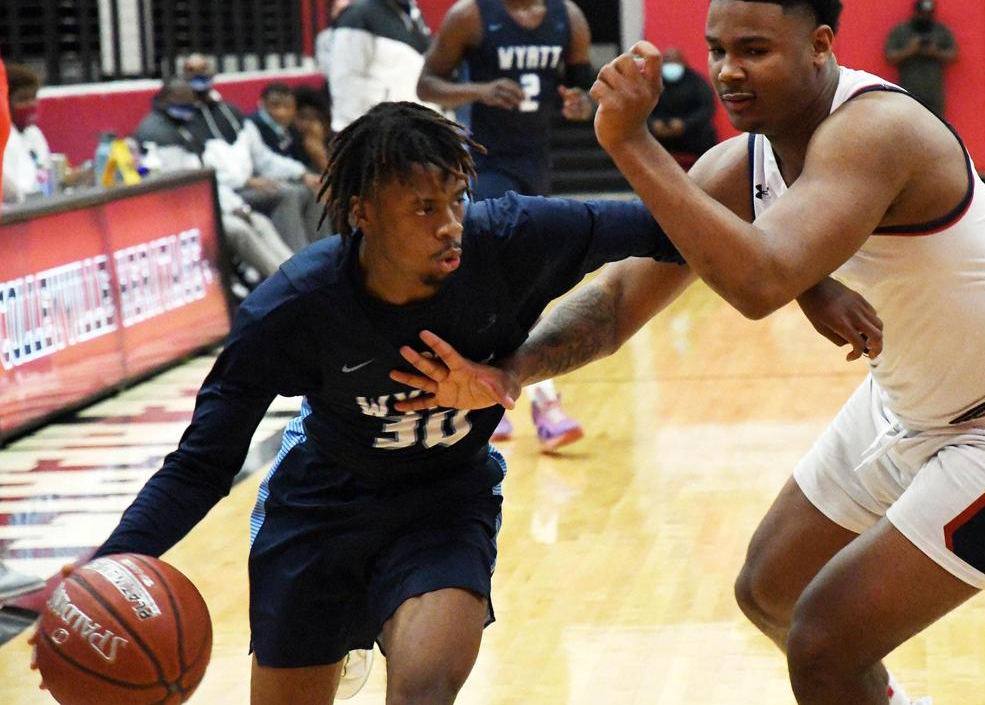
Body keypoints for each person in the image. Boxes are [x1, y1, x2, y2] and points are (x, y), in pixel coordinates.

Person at [392, 0, 985, 705]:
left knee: (824, 646)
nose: (729, 69)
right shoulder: (745, 164)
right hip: (908, 409)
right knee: (769, 590)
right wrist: (511, 370)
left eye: (754, 49)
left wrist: (632, 144)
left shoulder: (878, 131)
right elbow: (615, 303)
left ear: (820, 46)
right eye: (717, 49)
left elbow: (762, 279)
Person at [75, 101, 715, 704]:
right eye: (423, 207)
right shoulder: (293, 308)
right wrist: (102, 573)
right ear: (363, 212)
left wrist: (785, 231)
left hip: (444, 503)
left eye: (457, 199)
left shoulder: (511, 239)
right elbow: (201, 466)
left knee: (424, 692)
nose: (450, 225)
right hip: (319, 509)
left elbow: (673, 231)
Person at [416, 0, 597, 449]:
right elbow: (426, 83)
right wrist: (477, 90)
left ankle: (496, 396)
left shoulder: (568, 16)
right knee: (509, 274)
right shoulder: (471, 13)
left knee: (520, 276)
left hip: (537, 162)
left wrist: (580, 102)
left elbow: (585, 87)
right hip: (482, 164)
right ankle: (542, 403)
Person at [134, 79, 293, 284]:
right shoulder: (156, 133)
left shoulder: (185, 128)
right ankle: (285, 282)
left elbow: (208, 179)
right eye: (181, 103)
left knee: (259, 221)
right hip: (185, 213)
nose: (187, 109)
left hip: (213, 203)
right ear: (164, 101)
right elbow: (186, 188)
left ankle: (294, 269)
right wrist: (227, 209)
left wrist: (237, 206)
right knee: (239, 230)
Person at [181, 54, 327, 251]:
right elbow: (201, 169)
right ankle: (299, 262)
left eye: (203, 69)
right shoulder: (184, 119)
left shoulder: (231, 112)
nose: (199, 75)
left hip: (249, 184)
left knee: (311, 187)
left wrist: (301, 173)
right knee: (287, 193)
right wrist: (246, 181)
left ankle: (322, 254)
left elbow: (264, 158)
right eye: (191, 70)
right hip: (227, 191)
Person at [329, 0, 433, 132]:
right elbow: (344, 78)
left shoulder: (414, 12)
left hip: (414, 128)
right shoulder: (359, 12)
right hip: (377, 132)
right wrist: (350, 133)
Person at [884, 0, 957, 118]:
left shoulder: (941, 30)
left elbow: (953, 55)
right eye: (922, 13)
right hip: (909, 90)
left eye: (928, 14)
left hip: (934, 92)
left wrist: (935, 52)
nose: (925, 17)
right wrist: (910, 50)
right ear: (916, 12)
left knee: (936, 127)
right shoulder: (901, 31)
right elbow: (889, 57)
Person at [648, 46, 718, 166]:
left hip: (690, 132)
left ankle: (708, 173)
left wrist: (685, 124)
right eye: (667, 61)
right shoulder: (652, 82)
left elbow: (706, 108)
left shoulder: (697, 81)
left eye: (675, 61)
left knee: (708, 134)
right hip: (658, 133)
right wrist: (652, 123)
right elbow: (639, 109)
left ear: (683, 62)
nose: (671, 65)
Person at [2, 63, 52, 204]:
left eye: (33, 98)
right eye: (23, 100)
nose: (31, 105)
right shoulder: (6, 138)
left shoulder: (34, 134)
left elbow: (45, 174)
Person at [247, 82, 310, 167]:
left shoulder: (295, 127)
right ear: (262, 104)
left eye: (287, 106)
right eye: (275, 106)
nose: (281, 113)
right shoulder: (252, 127)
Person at [315, 0, 353, 79]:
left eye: (345, 11)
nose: (342, 14)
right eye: (338, 10)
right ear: (333, 12)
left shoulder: (360, 35)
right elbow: (323, 64)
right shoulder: (324, 37)